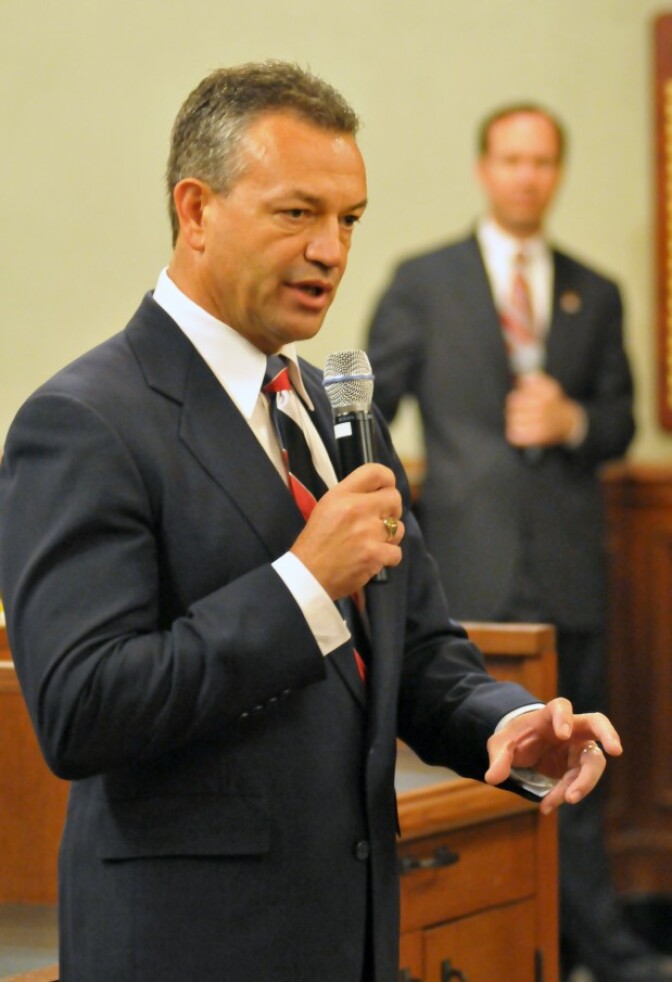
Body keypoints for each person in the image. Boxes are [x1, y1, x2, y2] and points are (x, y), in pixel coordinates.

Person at [0, 69, 622, 982]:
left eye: (350, 219)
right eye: (297, 214)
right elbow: (82, 711)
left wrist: (511, 720)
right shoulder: (85, 421)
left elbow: (420, 654)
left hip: (349, 938)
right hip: (192, 948)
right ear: (196, 209)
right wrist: (302, 582)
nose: (331, 250)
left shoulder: (334, 410)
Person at [366, 104, 669, 982]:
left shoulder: (595, 289)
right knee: (476, 771)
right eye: (512, 159)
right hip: (467, 569)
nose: (527, 175)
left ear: (557, 172)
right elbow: (370, 411)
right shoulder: (424, 281)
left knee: (580, 763)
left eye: (542, 161)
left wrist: (574, 419)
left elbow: (619, 419)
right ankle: (495, 946)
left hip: (571, 569)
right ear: (484, 169)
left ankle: (593, 949)